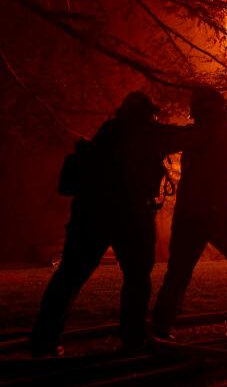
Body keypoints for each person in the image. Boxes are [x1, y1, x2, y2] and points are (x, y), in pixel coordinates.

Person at [31, 91, 205, 357]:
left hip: (89, 216)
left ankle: (45, 339)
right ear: (147, 114)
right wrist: (208, 123)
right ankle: (133, 339)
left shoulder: (108, 132)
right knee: (136, 279)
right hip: (130, 217)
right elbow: (185, 137)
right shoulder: (149, 133)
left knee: (69, 277)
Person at [152, 86, 227, 338]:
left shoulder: (189, 135)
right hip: (220, 213)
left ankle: (161, 326)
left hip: (188, 214)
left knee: (178, 272)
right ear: (222, 110)